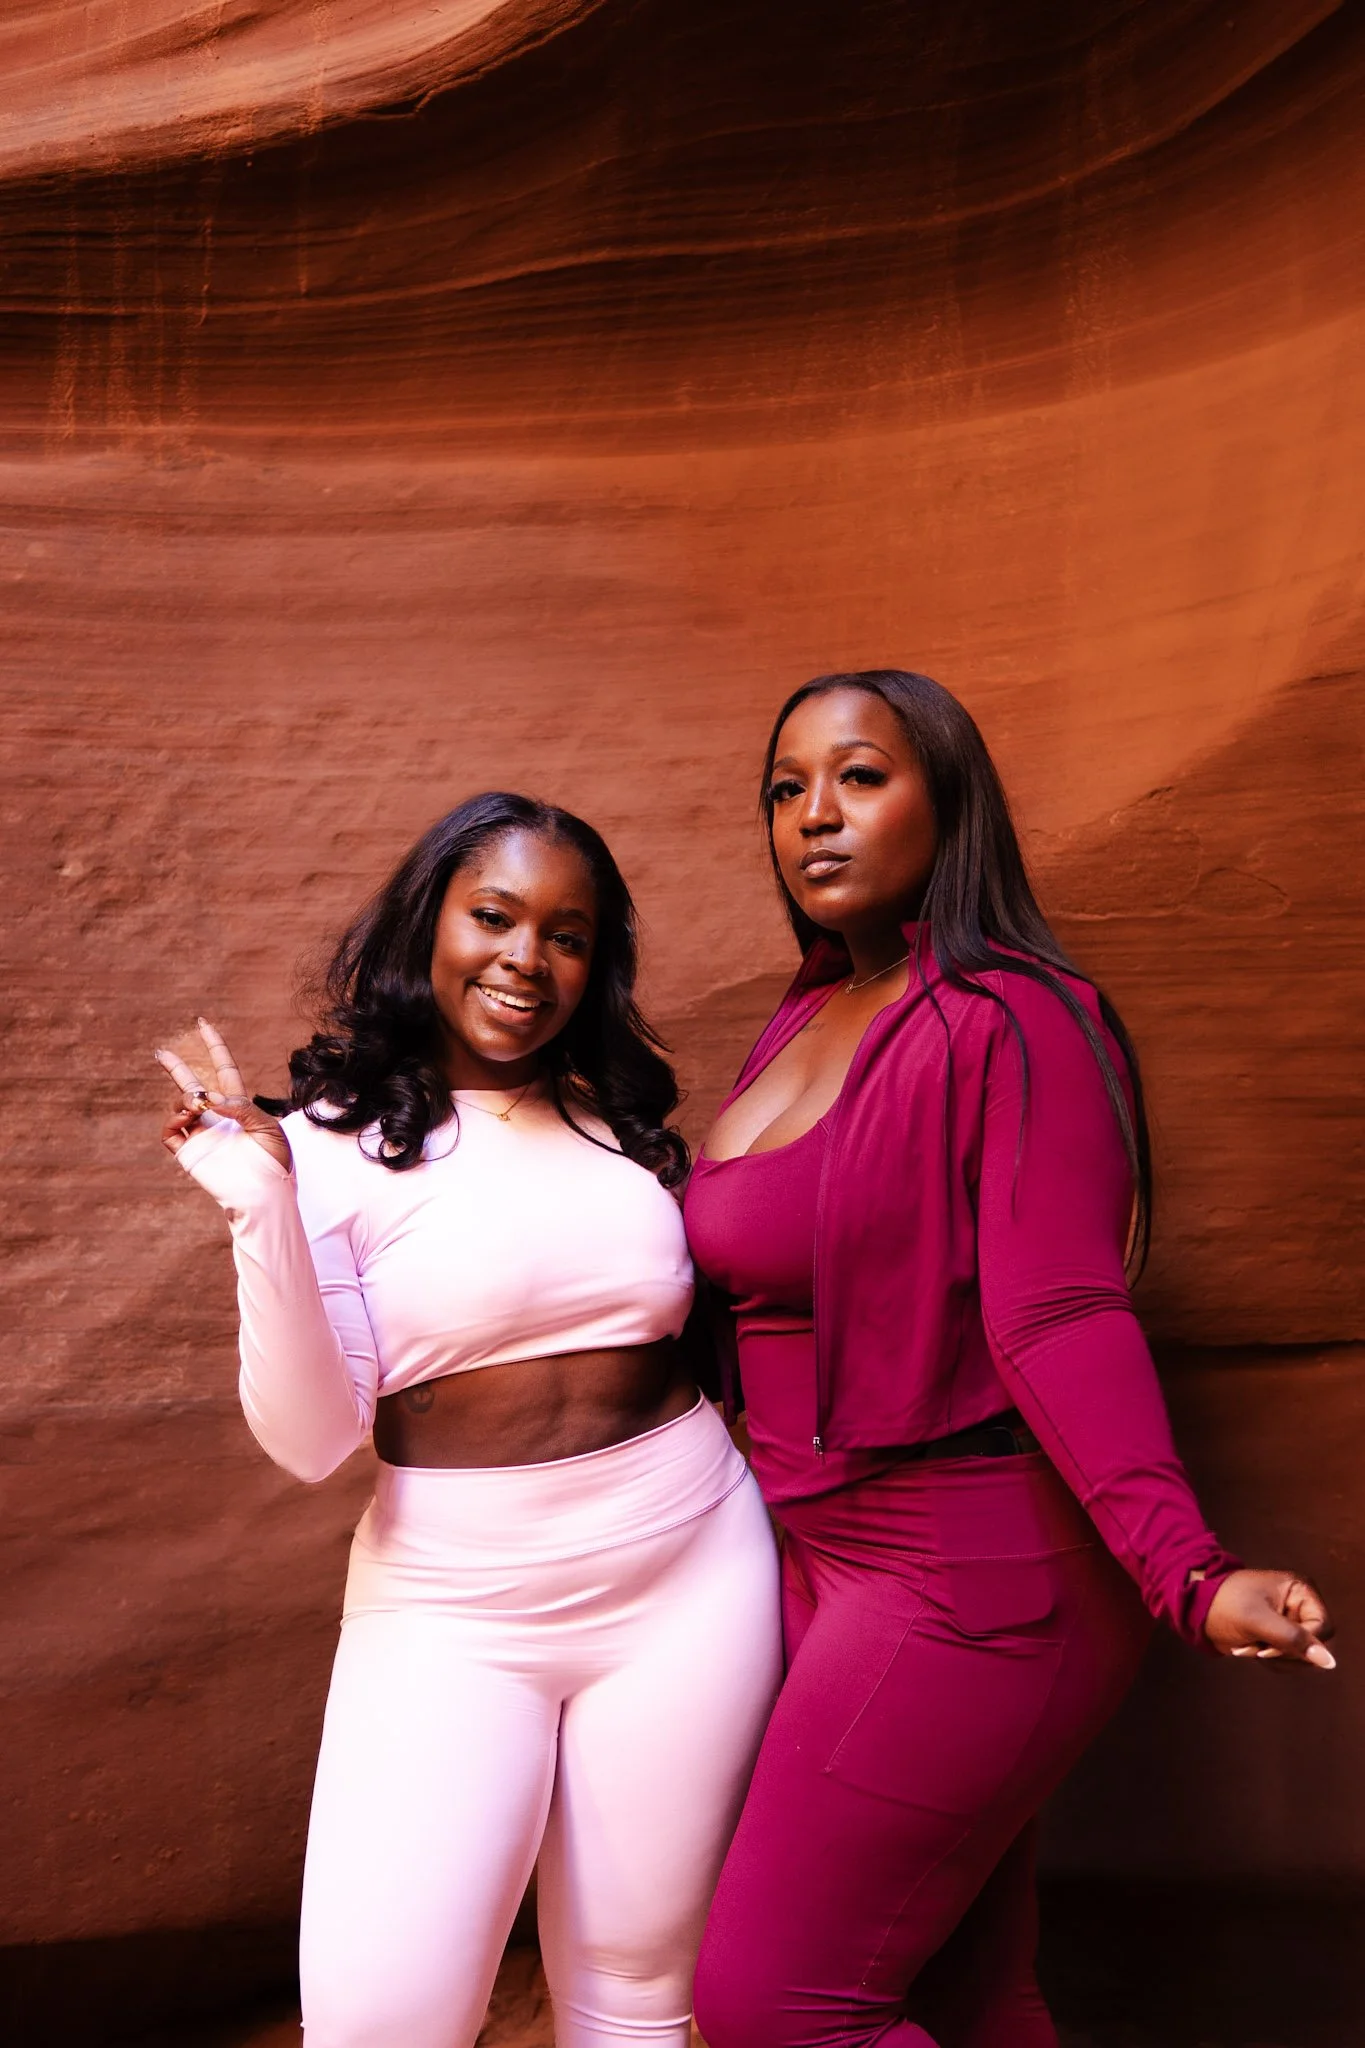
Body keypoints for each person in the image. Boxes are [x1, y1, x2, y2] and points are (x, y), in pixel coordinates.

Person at [683, 671, 1336, 2048]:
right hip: (824, 1557)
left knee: (772, 2007)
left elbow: (1059, 1311)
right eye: (785, 788)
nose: (815, 816)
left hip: (970, 1572)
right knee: (961, 1993)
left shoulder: (1016, 1016)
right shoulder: (806, 1017)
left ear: (951, 797)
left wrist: (1188, 1569)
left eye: (859, 777)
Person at [155, 791, 781, 2048]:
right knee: (381, 2019)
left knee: (640, 1995)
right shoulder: (320, 1147)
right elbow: (312, 1437)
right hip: (455, 1607)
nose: (526, 958)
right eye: (493, 915)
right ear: (426, 925)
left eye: (567, 933)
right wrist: (261, 1206)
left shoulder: (621, 1124)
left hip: (691, 1572)